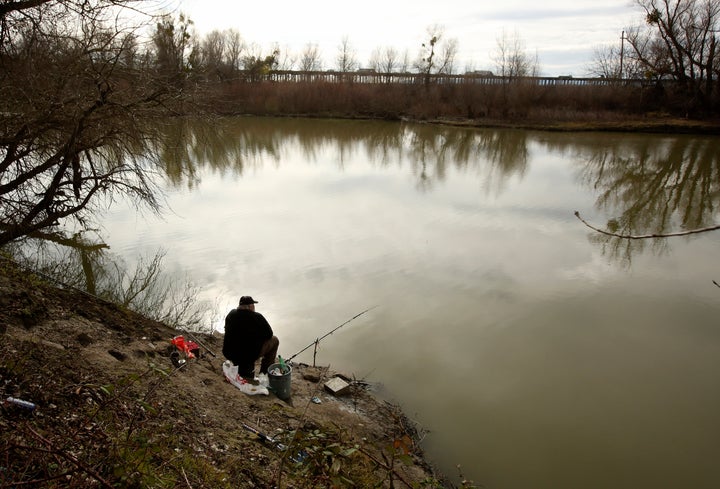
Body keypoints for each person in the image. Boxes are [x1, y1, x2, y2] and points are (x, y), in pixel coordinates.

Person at [222, 296, 279, 379]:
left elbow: (226, 328)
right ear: (250, 306)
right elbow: (269, 334)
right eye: (253, 305)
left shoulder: (231, 314)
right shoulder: (257, 317)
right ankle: (265, 373)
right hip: (248, 355)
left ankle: (240, 366)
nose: (254, 307)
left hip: (229, 353)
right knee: (274, 340)